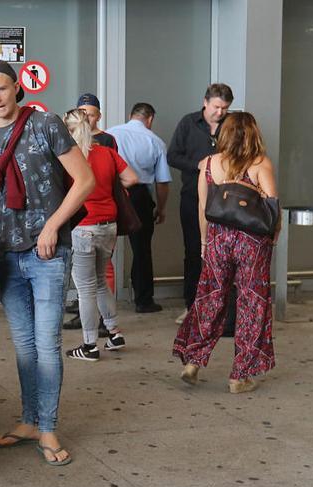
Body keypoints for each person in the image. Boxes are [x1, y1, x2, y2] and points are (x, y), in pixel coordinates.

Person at [0, 60, 94, 465]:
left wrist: (52, 227)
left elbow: (86, 181)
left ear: (16, 87)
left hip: (47, 253)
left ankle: (49, 427)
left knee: (47, 344)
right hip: (7, 253)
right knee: (24, 347)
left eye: (1, 89)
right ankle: (28, 420)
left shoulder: (46, 125)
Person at [173, 111, 278, 394]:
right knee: (251, 304)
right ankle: (239, 376)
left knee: (210, 298)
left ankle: (193, 360)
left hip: (219, 238)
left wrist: (206, 244)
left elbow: (202, 208)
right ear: (253, 134)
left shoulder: (208, 164)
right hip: (252, 242)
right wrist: (273, 239)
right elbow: (271, 207)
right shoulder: (259, 164)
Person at [62, 109, 138, 361]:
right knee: (100, 281)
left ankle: (89, 345)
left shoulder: (69, 158)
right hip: (109, 226)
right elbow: (131, 178)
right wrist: (108, 185)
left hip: (82, 226)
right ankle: (114, 333)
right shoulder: (108, 153)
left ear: (68, 130)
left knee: (85, 289)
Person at [168, 83, 233, 324]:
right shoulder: (188, 122)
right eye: (217, 107)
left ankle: (222, 311)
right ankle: (192, 306)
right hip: (192, 196)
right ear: (205, 102)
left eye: (225, 108)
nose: (220, 112)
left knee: (226, 255)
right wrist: (199, 165)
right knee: (194, 252)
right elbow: (172, 156)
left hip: (227, 199)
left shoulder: (232, 125)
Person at [107, 103, 172, 313]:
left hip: (111, 192)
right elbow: (162, 182)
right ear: (150, 119)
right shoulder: (155, 141)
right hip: (139, 195)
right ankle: (143, 300)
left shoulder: (110, 134)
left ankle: (95, 301)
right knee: (141, 249)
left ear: (130, 116)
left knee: (102, 247)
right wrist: (161, 209)